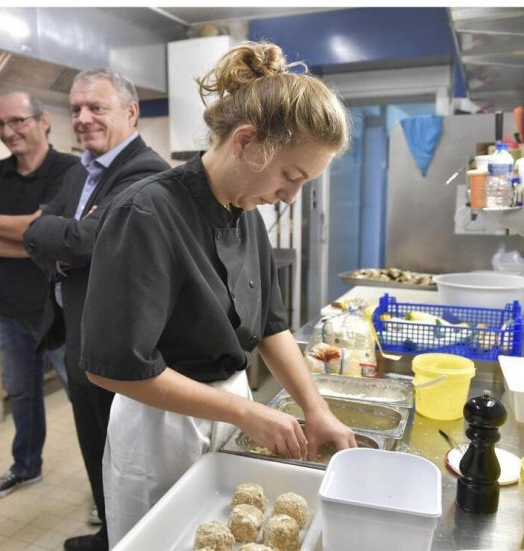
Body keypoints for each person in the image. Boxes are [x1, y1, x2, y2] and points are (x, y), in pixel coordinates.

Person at [79, 41, 359, 546]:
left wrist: (315, 409)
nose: (290, 196)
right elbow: (112, 365)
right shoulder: (146, 213)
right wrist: (249, 413)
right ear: (247, 141)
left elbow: (271, 326)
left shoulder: (245, 215)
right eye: (290, 176)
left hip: (230, 410)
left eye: (305, 183)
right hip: (161, 427)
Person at [23, 69, 170, 551]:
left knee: (124, 450)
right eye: (76, 110)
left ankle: (134, 537)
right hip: (75, 334)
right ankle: (109, 533)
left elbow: (83, 241)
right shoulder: (81, 171)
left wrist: (52, 231)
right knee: (94, 445)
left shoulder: (143, 170)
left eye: (97, 108)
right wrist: (55, 230)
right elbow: (56, 229)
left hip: (113, 342)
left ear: (130, 112)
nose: (83, 119)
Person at [0, 91, 77, 500]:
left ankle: (104, 484)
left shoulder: (70, 169)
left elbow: (54, 235)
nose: (9, 132)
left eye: (18, 121)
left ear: (44, 121)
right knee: (23, 395)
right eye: (1, 125)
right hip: (10, 308)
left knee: (84, 399)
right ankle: (25, 467)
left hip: (61, 309)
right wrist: (34, 239)